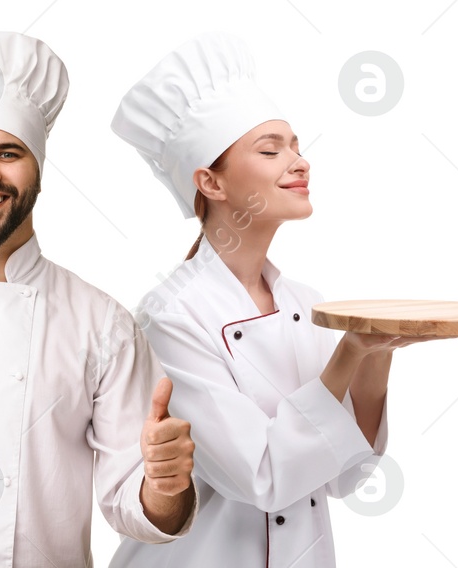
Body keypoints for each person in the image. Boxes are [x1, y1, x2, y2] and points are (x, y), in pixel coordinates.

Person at [108, 32, 431, 567]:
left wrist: (377, 355)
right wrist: (349, 353)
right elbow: (263, 477)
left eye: (298, 146)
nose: (300, 162)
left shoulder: (308, 303)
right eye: (271, 149)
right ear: (211, 182)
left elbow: (348, 476)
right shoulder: (169, 316)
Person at [0, 30, 197, 568]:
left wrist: (167, 484)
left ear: (39, 169)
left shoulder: (103, 324)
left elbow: (141, 511)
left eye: (8, 153)